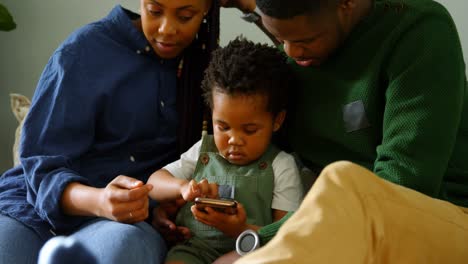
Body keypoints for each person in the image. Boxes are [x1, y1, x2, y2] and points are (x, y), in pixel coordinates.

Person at [215, 0, 468, 262]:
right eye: (279, 39)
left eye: (307, 39)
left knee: (343, 178)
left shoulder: (421, 31)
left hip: (443, 213)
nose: (290, 51)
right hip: (340, 219)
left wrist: (264, 238)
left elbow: (405, 184)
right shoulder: (298, 56)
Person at [0, 0, 220, 263]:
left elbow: (278, 66)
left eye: (185, 16)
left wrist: (251, 6)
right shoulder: (85, 49)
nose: (166, 29)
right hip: (30, 208)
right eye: (155, 11)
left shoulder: (209, 69)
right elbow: (41, 164)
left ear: (206, 9)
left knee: (121, 249)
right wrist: (100, 200)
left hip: (124, 226)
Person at [147, 37, 304, 264]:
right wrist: (182, 187)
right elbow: (154, 183)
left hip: (250, 250)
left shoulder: (281, 165)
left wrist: (239, 229)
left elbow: (286, 235)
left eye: (250, 130)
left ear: (277, 121)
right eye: (223, 127)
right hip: (194, 248)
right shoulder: (204, 149)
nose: (234, 140)